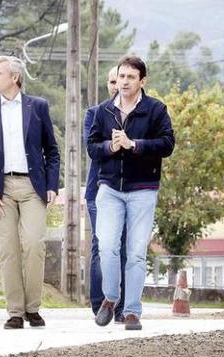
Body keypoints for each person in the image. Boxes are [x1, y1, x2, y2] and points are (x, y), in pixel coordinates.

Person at [0, 55, 61, 329]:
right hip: (0, 191)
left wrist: (52, 186)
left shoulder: (38, 107)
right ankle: (15, 312)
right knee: (7, 251)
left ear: (15, 78)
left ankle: (33, 308)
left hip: (33, 187)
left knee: (34, 244)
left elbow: (52, 151)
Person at [88, 55, 175, 331]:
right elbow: (92, 147)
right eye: (121, 76)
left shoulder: (156, 109)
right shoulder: (104, 111)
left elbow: (167, 144)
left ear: (142, 81)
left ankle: (133, 311)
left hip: (143, 190)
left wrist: (134, 144)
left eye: (130, 77)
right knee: (106, 246)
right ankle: (110, 299)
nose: (124, 82)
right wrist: (110, 148)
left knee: (136, 252)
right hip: (110, 189)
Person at [85, 66, 126, 323]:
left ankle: (122, 307)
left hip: (131, 190)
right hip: (99, 190)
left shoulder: (143, 114)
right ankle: (101, 304)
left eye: (121, 79)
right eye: (112, 81)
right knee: (102, 246)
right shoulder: (95, 114)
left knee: (124, 247)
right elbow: (94, 148)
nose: (116, 85)